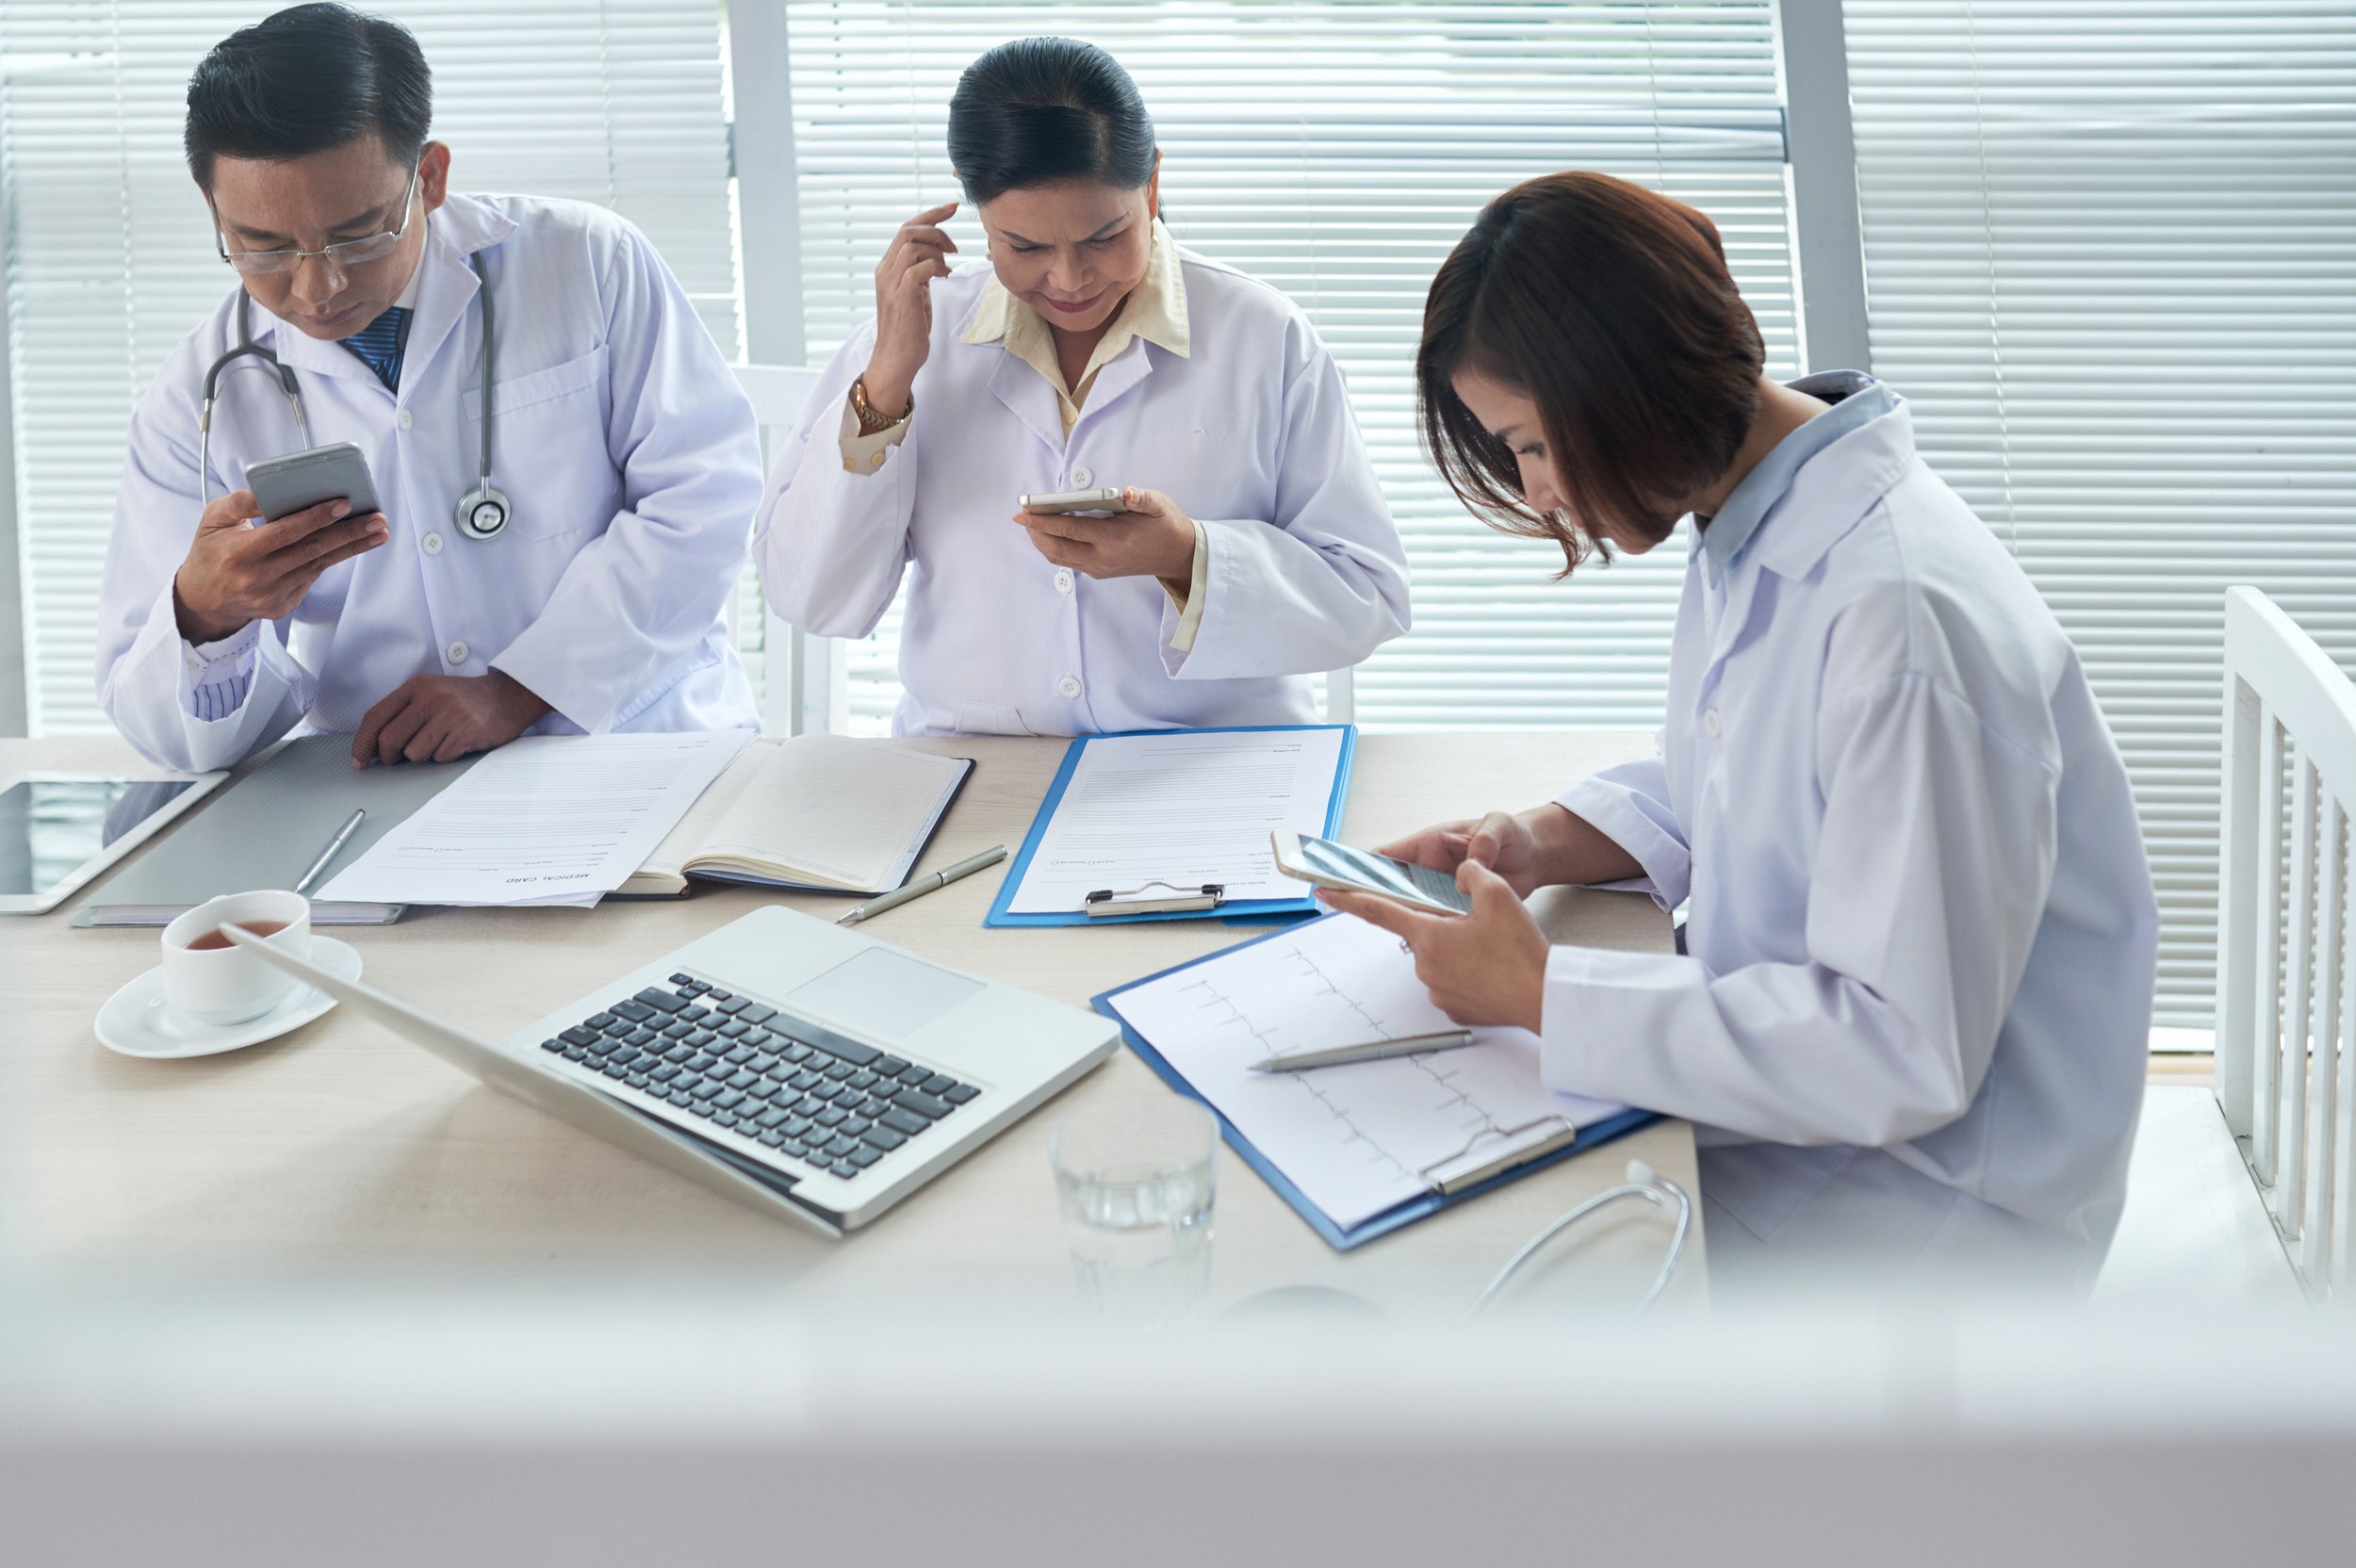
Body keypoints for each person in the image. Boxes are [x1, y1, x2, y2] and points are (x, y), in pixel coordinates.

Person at [1317, 172, 2159, 1287]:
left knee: (1472, 1297)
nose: (1543, 495)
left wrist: (1540, 994)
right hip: (1825, 1135)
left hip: (1930, 1220)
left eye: (1528, 446)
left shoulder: (1900, 623)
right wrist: (1541, 840)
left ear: (1625, 386)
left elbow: (1897, 1048)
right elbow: (1752, 769)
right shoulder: (1758, 508)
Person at [96, 3, 761, 772]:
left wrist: (516, 689)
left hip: (631, 741)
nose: (318, 285)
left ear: (432, 177)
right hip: (383, 776)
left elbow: (703, 499)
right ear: (213, 210)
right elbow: (170, 739)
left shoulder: (586, 263)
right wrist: (207, 615)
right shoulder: (196, 399)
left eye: (357, 233)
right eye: (263, 246)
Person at [757, 38, 1409, 736]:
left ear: (1152, 186)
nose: (1069, 280)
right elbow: (812, 599)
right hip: (976, 769)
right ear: (974, 208)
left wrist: (1187, 556)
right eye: (1026, 247)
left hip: (1211, 765)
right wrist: (886, 385)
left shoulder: (1264, 337)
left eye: (1104, 237)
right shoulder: (914, 339)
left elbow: (1367, 597)